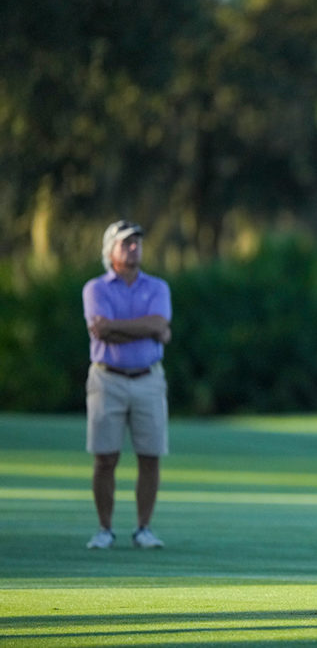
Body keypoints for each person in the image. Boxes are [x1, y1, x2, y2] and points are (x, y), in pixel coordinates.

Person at [82, 220, 172, 550]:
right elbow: (102, 331)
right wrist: (147, 330)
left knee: (150, 457)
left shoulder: (158, 287)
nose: (134, 247)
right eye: (126, 243)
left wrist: (116, 328)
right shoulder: (95, 288)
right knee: (105, 458)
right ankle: (105, 529)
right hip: (107, 379)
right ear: (110, 250)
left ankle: (143, 528)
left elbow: (159, 324)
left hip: (148, 378)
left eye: (137, 242)